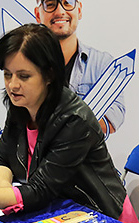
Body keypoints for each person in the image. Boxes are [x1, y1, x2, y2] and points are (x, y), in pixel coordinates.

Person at [0, 24, 136, 223]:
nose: (12, 85)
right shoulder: (21, 106)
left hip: (103, 219)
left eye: (24, 76)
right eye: (8, 75)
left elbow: (39, 190)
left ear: (49, 75)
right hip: (58, 212)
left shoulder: (74, 120)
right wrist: (4, 190)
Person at [34, 0, 125, 136]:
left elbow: (113, 119)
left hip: (86, 156)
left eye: (68, 2)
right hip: (39, 156)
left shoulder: (102, 64)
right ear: (38, 14)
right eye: (50, 4)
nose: (60, 11)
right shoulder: (27, 64)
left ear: (79, 10)